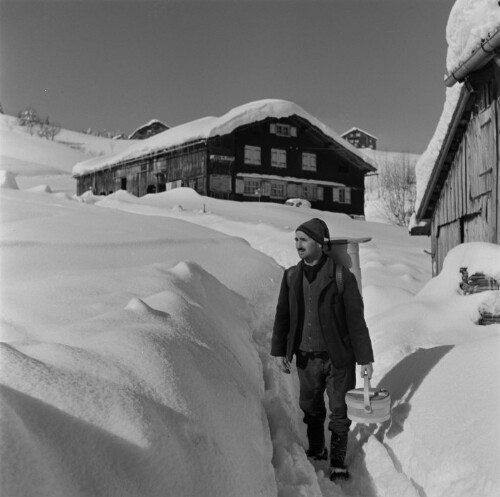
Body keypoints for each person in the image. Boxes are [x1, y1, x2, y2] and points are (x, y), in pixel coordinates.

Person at [270, 218, 374, 481]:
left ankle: (337, 460)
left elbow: (355, 318)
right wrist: (281, 350)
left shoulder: (341, 276)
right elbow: (283, 315)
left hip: (339, 356)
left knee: (339, 409)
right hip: (306, 357)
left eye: (303, 240)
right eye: (296, 240)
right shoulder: (291, 276)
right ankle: (317, 448)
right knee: (311, 406)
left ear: (319, 243)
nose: (298, 245)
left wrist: (365, 359)